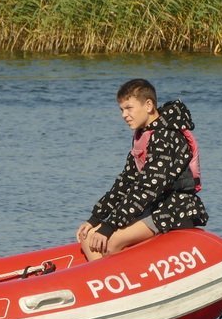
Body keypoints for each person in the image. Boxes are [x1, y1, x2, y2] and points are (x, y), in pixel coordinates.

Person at [77, 79, 208, 260]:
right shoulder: (143, 136)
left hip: (176, 208)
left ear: (148, 105)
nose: (124, 115)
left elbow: (148, 188)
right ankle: (104, 282)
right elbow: (125, 182)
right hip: (153, 207)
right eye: (121, 110)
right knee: (89, 236)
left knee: (111, 242)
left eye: (129, 108)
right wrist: (96, 218)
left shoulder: (166, 137)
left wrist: (110, 226)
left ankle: (118, 284)